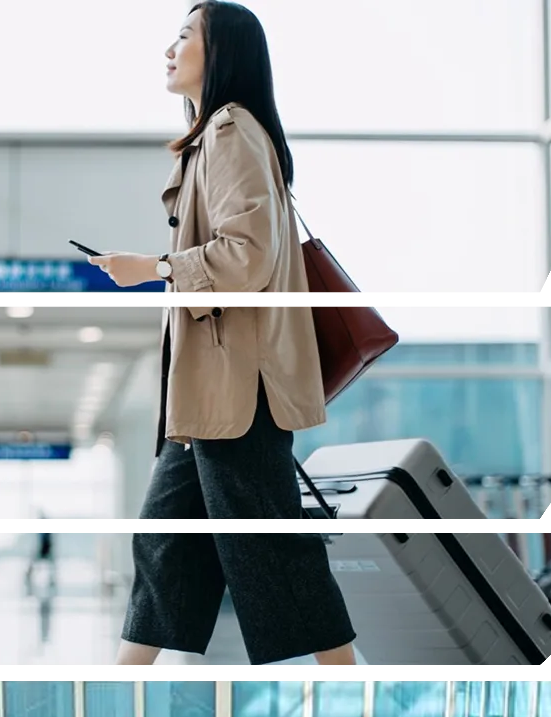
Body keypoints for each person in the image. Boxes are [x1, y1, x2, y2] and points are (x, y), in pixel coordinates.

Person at [88, 1, 359, 670]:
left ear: (224, 51)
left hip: (241, 390)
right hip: (214, 395)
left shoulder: (231, 131)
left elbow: (248, 256)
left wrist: (151, 269)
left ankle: (354, 691)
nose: (169, 49)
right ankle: (120, 687)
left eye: (185, 36)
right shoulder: (217, 136)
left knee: (268, 546)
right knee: (166, 541)